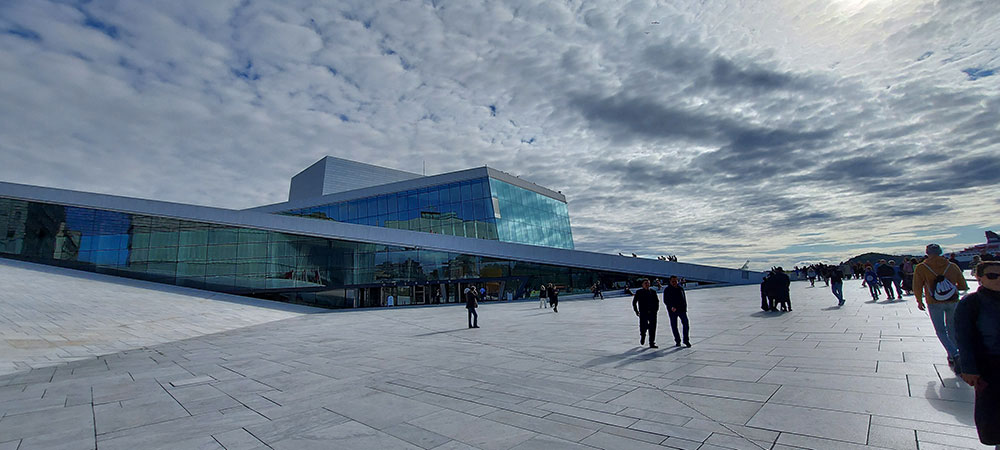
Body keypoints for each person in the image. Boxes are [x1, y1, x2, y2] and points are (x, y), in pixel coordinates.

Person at [955, 261, 1000, 448]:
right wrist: (968, 368)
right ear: (979, 278)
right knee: (994, 414)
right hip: (990, 366)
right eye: (992, 276)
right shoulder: (971, 303)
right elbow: (963, 338)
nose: (998, 280)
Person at [913, 243, 969, 372]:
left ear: (927, 253)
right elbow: (963, 285)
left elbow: (917, 286)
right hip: (952, 301)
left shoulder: (922, 267)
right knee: (952, 328)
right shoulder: (952, 266)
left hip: (934, 302)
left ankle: (954, 354)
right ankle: (952, 355)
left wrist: (919, 300)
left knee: (940, 330)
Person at [663, 276, 690, 347]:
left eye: (675, 281)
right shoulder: (667, 290)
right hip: (673, 311)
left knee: (686, 325)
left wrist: (685, 308)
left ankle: (686, 340)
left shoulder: (680, 288)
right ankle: (677, 340)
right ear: (670, 281)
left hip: (682, 310)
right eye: (673, 281)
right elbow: (666, 300)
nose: (674, 283)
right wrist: (671, 306)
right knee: (674, 326)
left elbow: (683, 299)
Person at [632, 279, 659, 348]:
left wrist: (656, 310)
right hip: (643, 312)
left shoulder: (653, 292)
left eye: (648, 283)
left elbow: (656, 302)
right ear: (642, 285)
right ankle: (643, 335)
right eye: (645, 283)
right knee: (643, 326)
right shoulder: (639, 292)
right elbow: (634, 302)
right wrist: (636, 311)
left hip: (652, 313)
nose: (647, 285)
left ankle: (652, 342)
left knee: (653, 328)